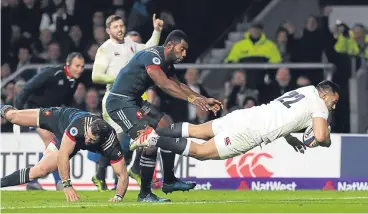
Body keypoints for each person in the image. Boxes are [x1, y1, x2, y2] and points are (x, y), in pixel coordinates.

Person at [105, 29, 222, 202]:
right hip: (119, 102)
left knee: (166, 126)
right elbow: (164, 84)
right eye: (181, 49)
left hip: (134, 101)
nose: (184, 53)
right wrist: (192, 99)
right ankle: (144, 193)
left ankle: (168, 180)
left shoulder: (166, 63)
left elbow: (178, 85)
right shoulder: (153, 57)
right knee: (150, 141)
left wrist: (203, 99)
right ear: (169, 45)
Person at [131, 80, 339, 161]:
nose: (333, 106)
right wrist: (327, 138)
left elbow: (285, 116)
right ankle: (152, 140)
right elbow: (320, 136)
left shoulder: (305, 90)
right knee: (202, 152)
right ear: (325, 95)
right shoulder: (319, 104)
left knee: (197, 130)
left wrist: (290, 137)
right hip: (252, 132)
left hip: (246, 114)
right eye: (334, 101)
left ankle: (149, 133)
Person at [91, 14, 164, 191]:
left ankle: (134, 169)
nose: (120, 29)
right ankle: (102, 174)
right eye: (115, 27)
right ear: (108, 30)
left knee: (150, 127)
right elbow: (96, 76)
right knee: (115, 142)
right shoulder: (105, 49)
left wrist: (157, 30)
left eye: (121, 25)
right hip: (114, 99)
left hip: (132, 99)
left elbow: (148, 48)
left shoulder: (130, 44)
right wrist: (118, 78)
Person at [0, 105, 128, 203]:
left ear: (101, 139)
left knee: (40, 171)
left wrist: (118, 197)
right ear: (87, 129)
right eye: (87, 136)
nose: (87, 140)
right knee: (13, 116)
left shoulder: (111, 143)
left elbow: (122, 174)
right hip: (60, 119)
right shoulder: (78, 127)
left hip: (70, 140)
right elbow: (63, 155)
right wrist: (67, 185)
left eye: (91, 140)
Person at [14, 52, 85, 190]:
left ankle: (32, 180)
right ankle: (59, 182)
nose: (80, 69)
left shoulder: (74, 81)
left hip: (52, 114)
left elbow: (66, 102)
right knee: (50, 139)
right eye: (77, 66)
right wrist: (18, 112)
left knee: (54, 144)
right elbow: (28, 87)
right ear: (68, 64)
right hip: (35, 109)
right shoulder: (53, 73)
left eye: (82, 66)